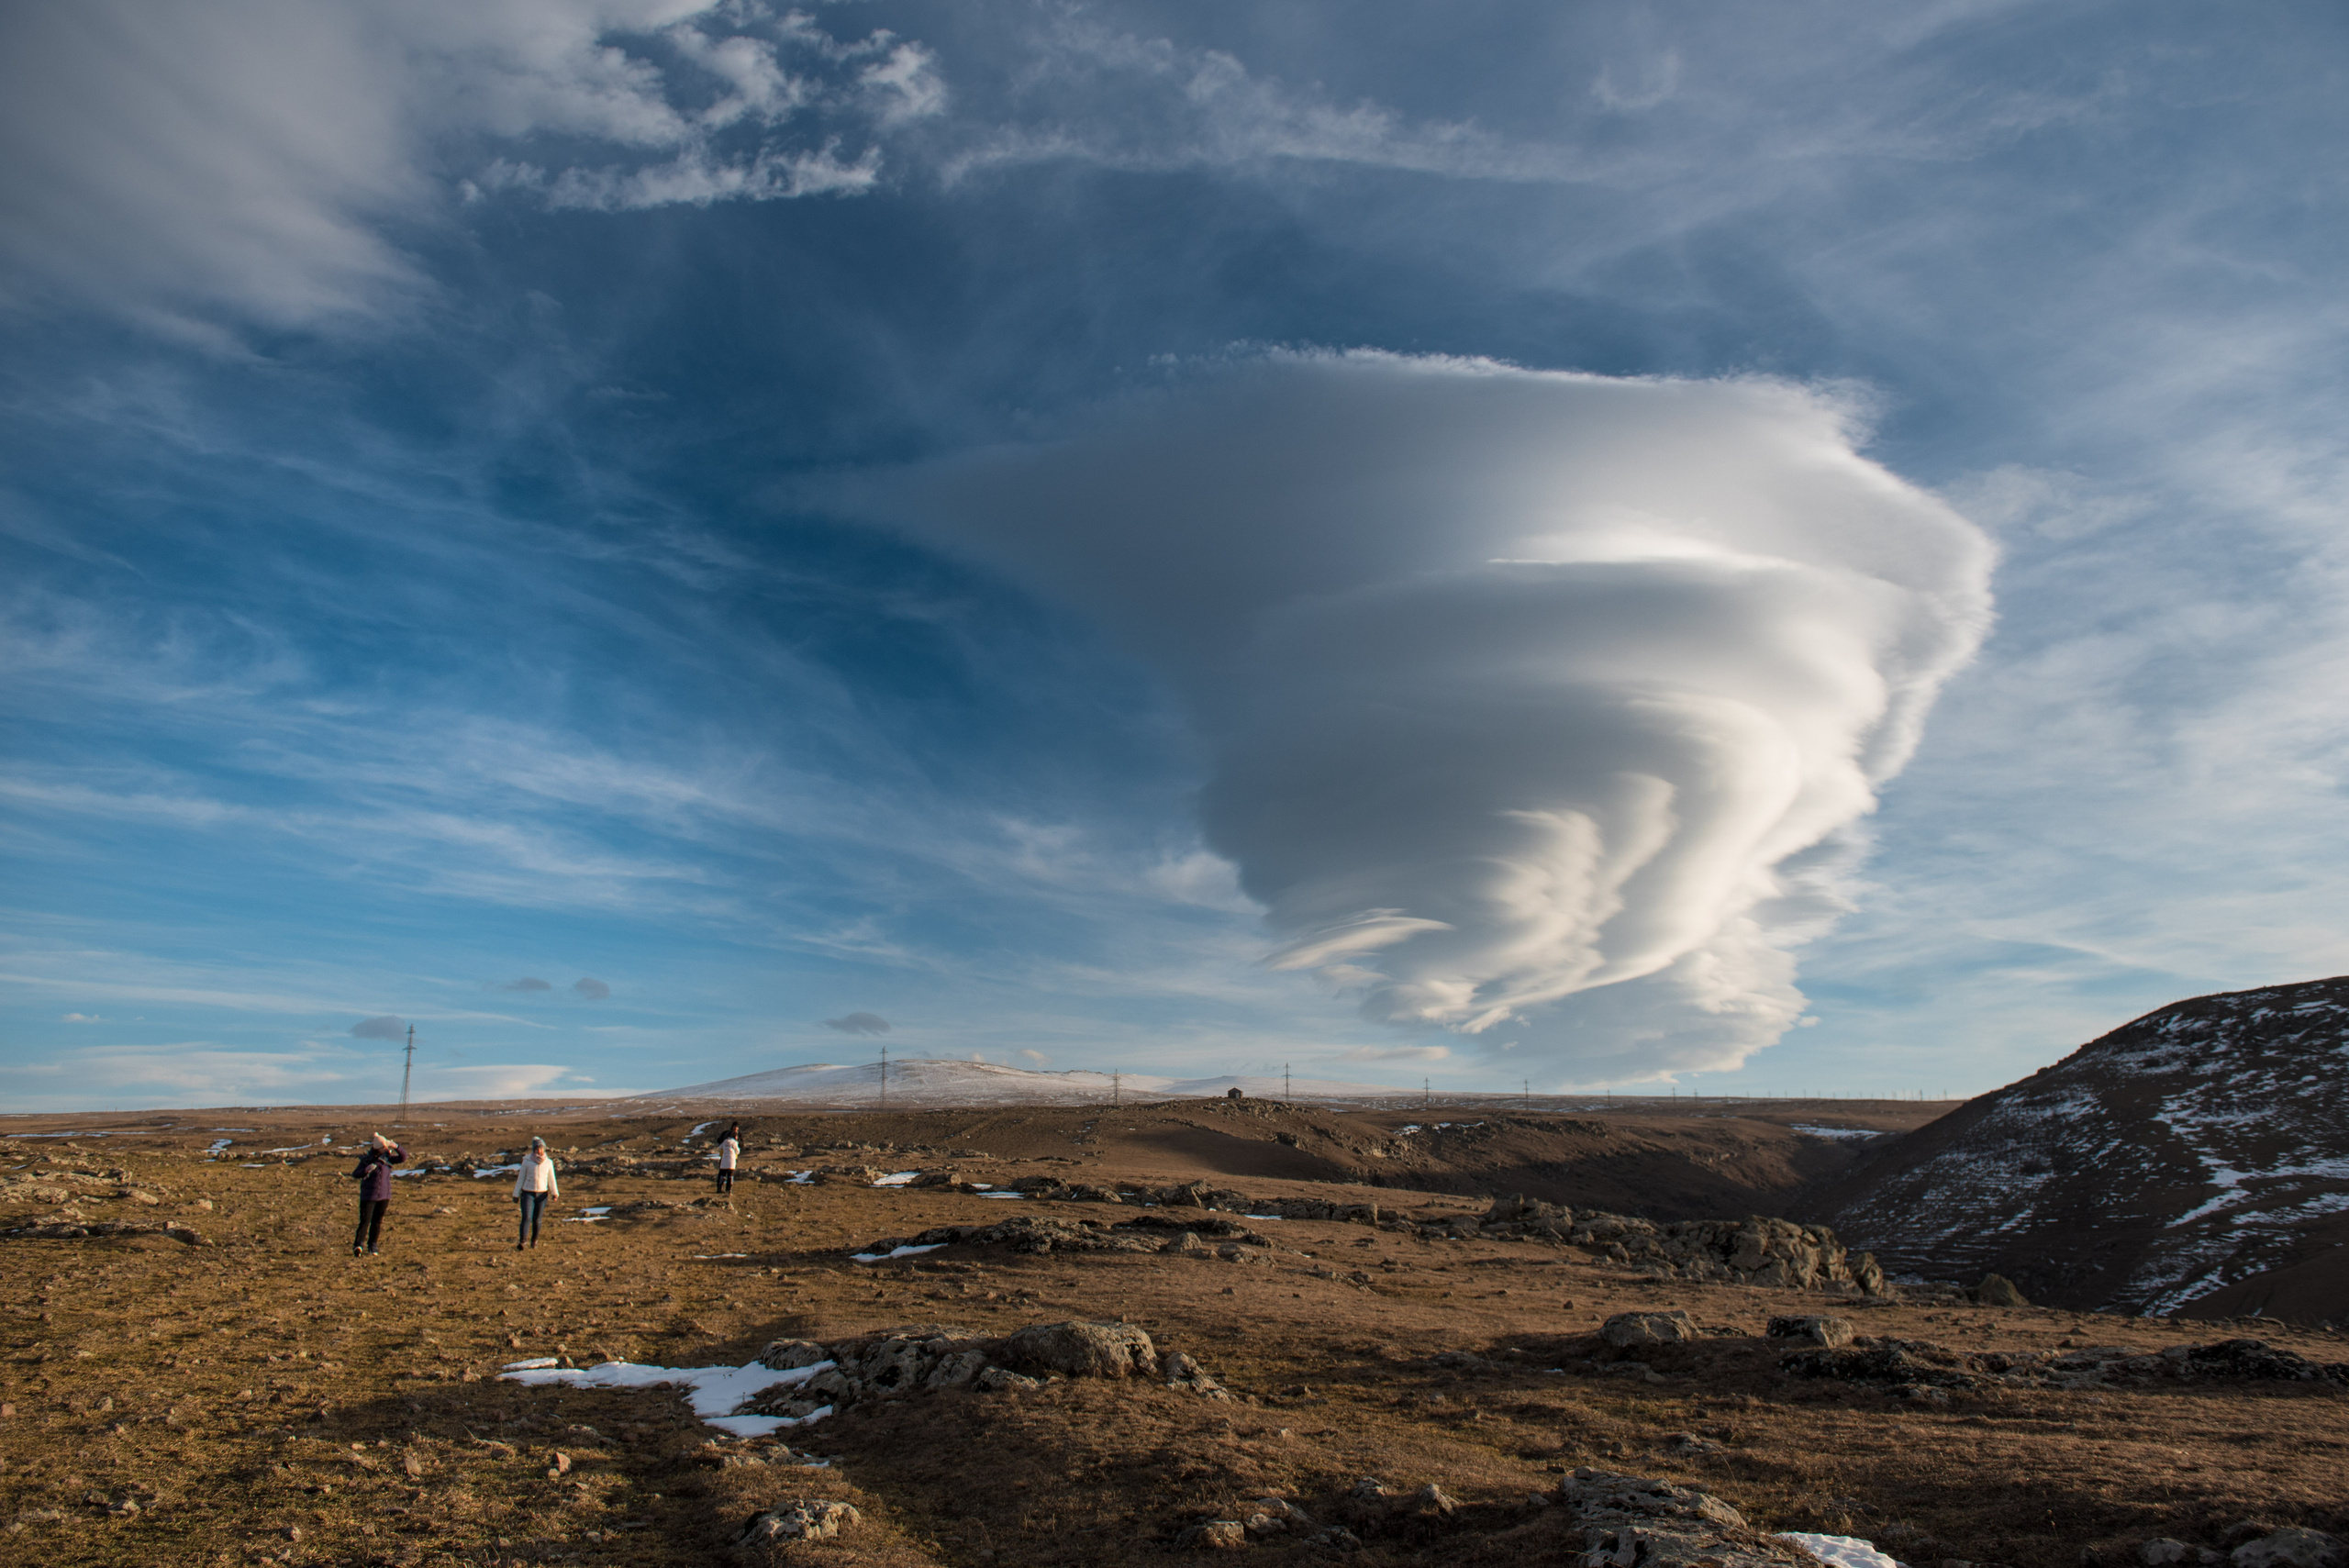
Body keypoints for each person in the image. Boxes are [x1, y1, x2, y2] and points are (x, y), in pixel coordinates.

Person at [350, 1132, 406, 1257]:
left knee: (377, 1221)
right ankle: (358, 1245)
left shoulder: (388, 1160)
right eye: (384, 1147)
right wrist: (366, 1169)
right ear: (378, 1148)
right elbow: (355, 1174)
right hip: (368, 1196)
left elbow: (403, 1157)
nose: (386, 1149)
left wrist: (396, 1146)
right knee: (365, 1221)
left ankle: (373, 1246)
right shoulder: (366, 1160)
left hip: (384, 1196)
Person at [513, 1136, 559, 1251]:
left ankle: (534, 1241)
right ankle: (522, 1242)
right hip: (527, 1193)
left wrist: (554, 1193)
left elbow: (551, 1179)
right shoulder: (527, 1161)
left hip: (542, 1195)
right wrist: (516, 1194)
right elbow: (521, 1178)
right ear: (533, 1149)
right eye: (537, 1148)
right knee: (526, 1217)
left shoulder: (548, 1163)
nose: (539, 1151)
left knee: (537, 1219)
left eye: (541, 1148)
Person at [715, 1123, 740, 1195]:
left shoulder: (724, 1142)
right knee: (730, 1174)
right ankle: (729, 1189)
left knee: (722, 1173)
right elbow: (737, 1151)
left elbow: (720, 1148)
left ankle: (720, 1187)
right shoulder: (734, 1142)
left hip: (724, 1159)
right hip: (731, 1159)